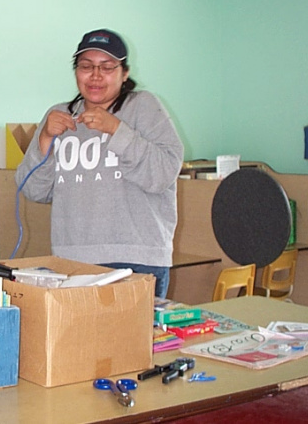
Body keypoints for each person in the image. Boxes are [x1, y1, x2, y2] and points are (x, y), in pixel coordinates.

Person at [15, 29, 183, 299]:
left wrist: (117, 130)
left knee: (132, 342)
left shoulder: (144, 106)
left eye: (107, 67)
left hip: (136, 259)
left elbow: (163, 173)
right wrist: (45, 138)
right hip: (72, 262)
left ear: (124, 73)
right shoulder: (59, 114)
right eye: (86, 67)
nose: (95, 76)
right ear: (75, 71)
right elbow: (32, 189)